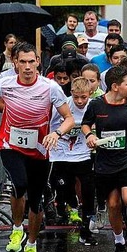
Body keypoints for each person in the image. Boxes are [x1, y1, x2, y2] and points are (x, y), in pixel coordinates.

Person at [0, 42, 74, 252]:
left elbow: (69, 118)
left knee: (36, 199)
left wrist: (56, 133)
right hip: (10, 143)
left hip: (39, 148)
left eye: (31, 62)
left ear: (38, 63)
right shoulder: (4, 83)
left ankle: (31, 247)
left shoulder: (50, 87)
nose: (27, 67)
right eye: (22, 62)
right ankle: (16, 229)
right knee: (20, 183)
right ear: (15, 63)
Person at [81, 65, 127, 252]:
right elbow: (85, 123)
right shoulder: (96, 105)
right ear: (115, 86)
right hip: (105, 163)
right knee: (113, 204)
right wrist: (89, 135)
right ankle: (119, 242)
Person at [48, 78, 95, 238]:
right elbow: (51, 123)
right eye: (76, 97)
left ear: (90, 93)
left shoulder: (93, 106)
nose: (80, 101)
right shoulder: (64, 105)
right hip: (62, 153)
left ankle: (88, 220)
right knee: (63, 185)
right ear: (71, 94)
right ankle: (68, 205)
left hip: (83, 153)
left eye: (84, 97)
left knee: (88, 188)